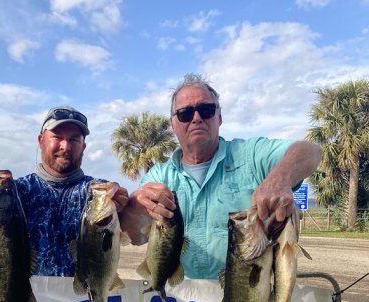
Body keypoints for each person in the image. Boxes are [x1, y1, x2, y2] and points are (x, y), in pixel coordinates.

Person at [120, 73, 322, 279]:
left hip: (242, 291)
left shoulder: (250, 155)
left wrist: (279, 179)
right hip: (180, 297)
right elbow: (133, 236)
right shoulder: (158, 176)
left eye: (206, 110)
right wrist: (135, 207)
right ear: (173, 124)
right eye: (185, 114)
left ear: (219, 117)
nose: (196, 118)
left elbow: (310, 151)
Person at [0, 105, 129, 276]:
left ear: (83, 146)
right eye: (57, 137)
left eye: (74, 139)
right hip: (25, 292)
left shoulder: (98, 193)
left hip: (83, 292)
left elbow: (131, 235)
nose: (65, 146)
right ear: (41, 141)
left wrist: (127, 209)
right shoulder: (16, 191)